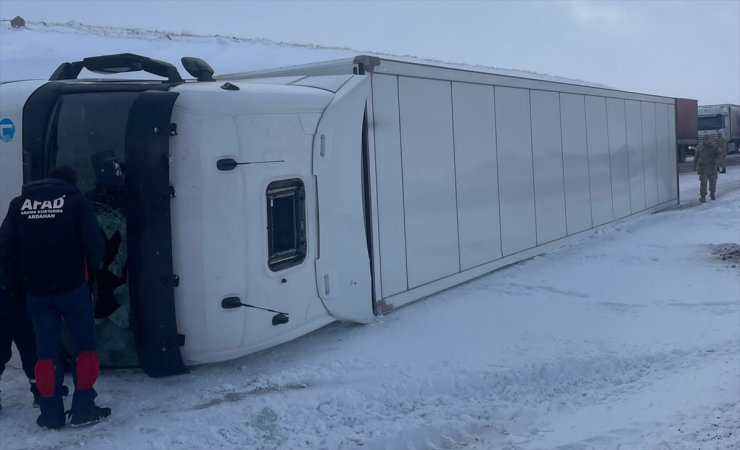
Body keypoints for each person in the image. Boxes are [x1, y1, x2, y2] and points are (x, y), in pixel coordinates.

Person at [0, 166, 111, 428]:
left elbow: (4, 248)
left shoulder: (19, 205)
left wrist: (15, 284)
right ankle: (83, 408)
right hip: (73, 288)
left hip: (37, 294)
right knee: (85, 349)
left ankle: (51, 414)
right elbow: (95, 245)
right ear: (70, 183)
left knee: (45, 353)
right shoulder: (76, 202)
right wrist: (96, 274)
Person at [693, 135, 721, 202]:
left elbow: (719, 154)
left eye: (706, 139)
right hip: (703, 168)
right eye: (704, 139)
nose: (705, 141)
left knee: (713, 182)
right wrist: (694, 166)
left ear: (709, 140)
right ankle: (703, 196)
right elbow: (696, 157)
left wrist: (717, 160)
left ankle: (712, 194)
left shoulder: (714, 147)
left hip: (712, 168)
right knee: (703, 183)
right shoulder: (699, 147)